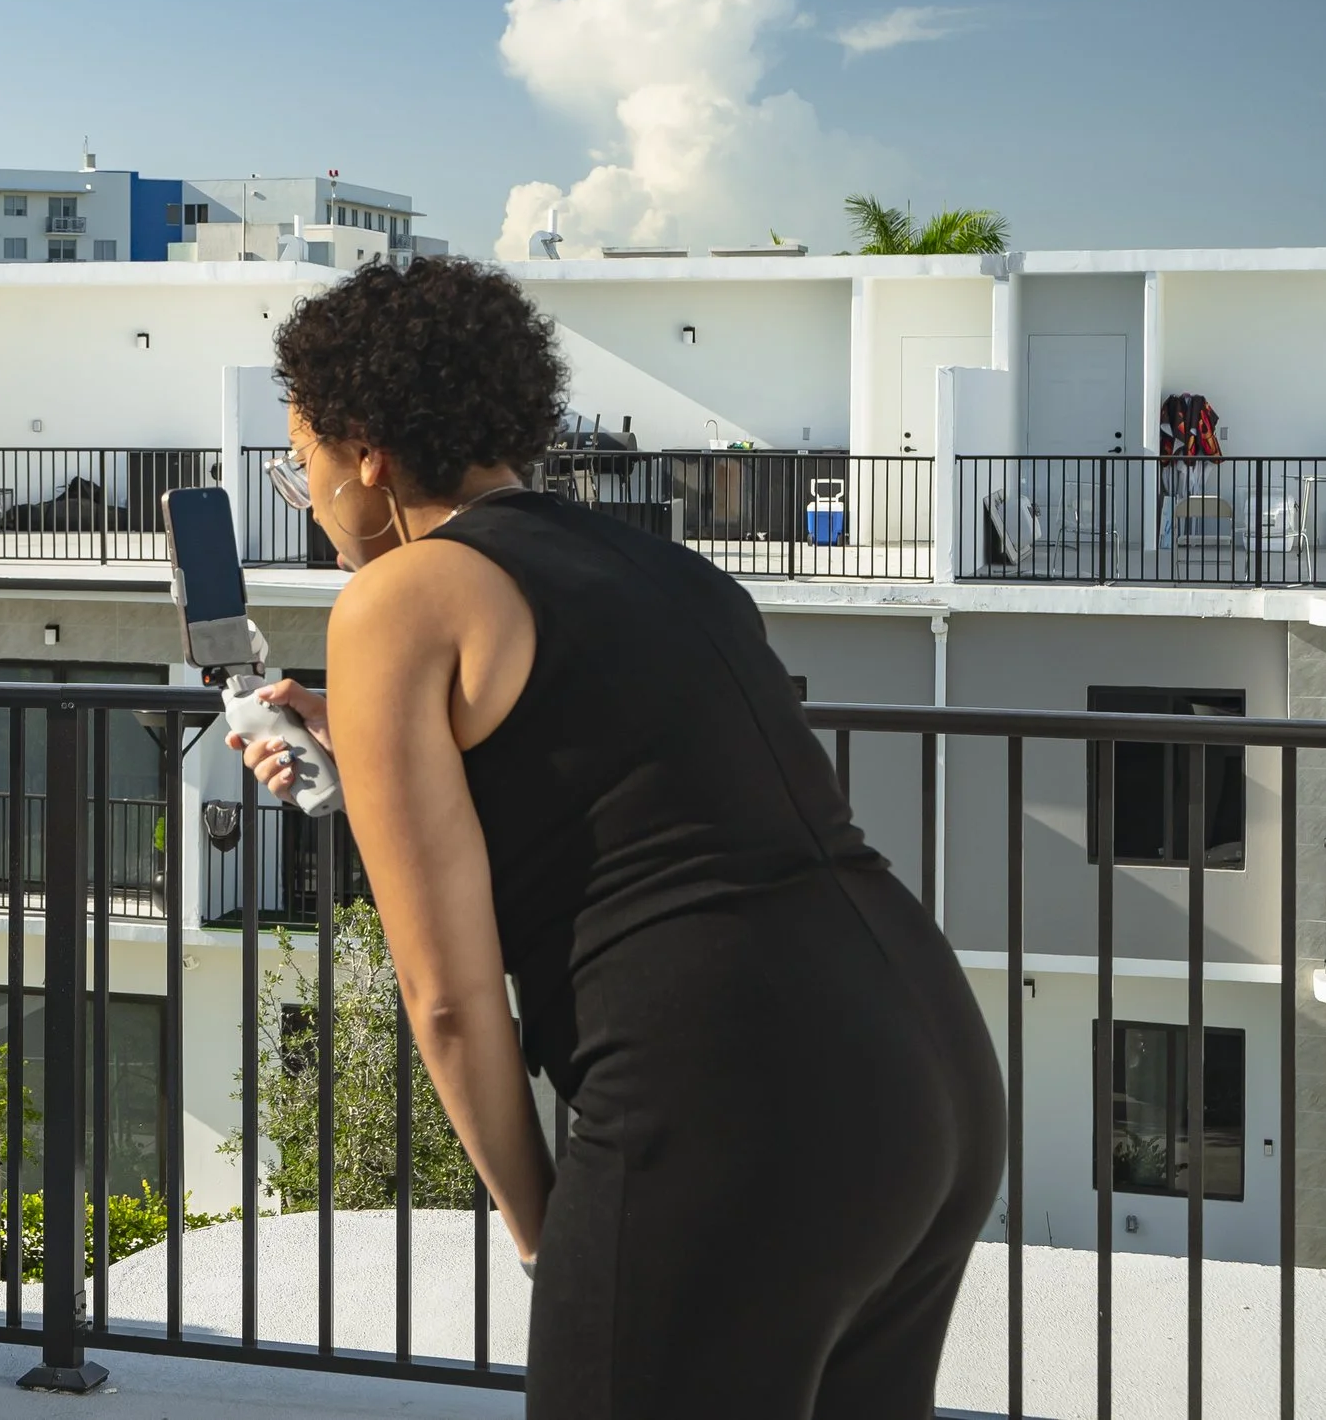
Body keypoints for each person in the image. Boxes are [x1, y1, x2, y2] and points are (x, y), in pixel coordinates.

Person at [229, 258, 1003, 1419]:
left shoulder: (398, 598)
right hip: (924, 1064)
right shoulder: (662, 566)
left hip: (726, 1084)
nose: (313, 495)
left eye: (304, 465)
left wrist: (550, 1230)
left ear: (365, 449)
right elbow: (606, 774)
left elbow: (448, 997)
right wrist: (368, 744)